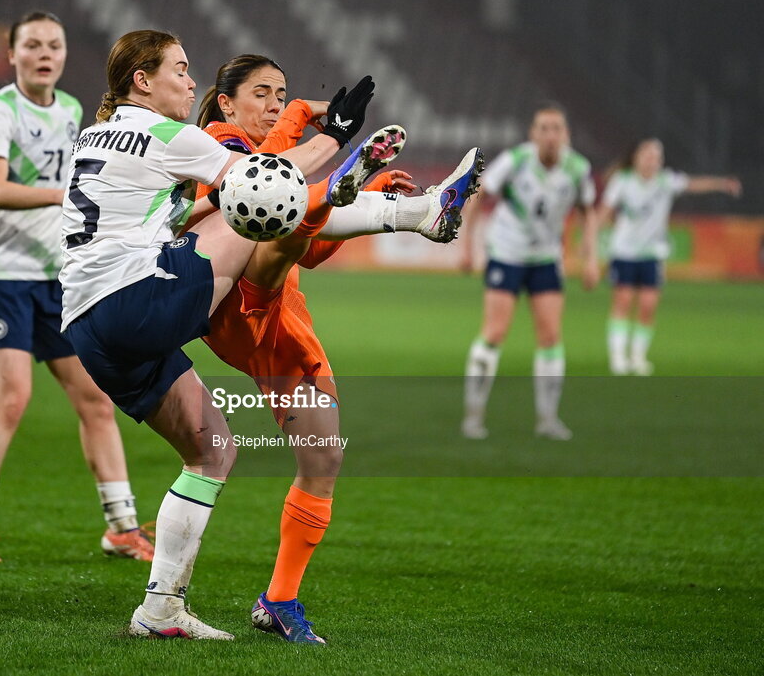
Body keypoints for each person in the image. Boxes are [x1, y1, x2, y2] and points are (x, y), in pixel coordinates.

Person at [59, 29, 405, 640]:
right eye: (181, 69)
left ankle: (161, 608)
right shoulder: (168, 132)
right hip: (138, 297)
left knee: (212, 449)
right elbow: (260, 184)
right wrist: (334, 136)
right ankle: (400, 213)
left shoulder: (96, 137)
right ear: (143, 80)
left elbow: (177, 213)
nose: (192, 82)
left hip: (88, 325)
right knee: (258, 207)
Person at [190, 54, 483, 644]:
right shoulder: (214, 145)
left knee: (323, 459)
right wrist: (305, 117)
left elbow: (310, 250)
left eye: (283, 96)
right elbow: (264, 192)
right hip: (233, 306)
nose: (275, 105)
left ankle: (279, 599)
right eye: (264, 95)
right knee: (275, 206)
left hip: (282, 320)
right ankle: (415, 213)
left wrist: (360, 191)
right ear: (226, 103)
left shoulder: (268, 154)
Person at [0, 11, 153, 564]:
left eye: (54, 45)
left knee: (96, 399)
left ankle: (122, 527)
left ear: (64, 56)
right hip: (1, 276)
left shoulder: (69, 111)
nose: (45, 53)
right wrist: (63, 195)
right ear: (12, 54)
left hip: (56, 278)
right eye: (33, 45)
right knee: (12, 399)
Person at [459, 102, 597, 441]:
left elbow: (588, 211)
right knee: (494, 333)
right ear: (533, 134)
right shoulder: (516, 160)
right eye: (544, 129)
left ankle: (548, 419)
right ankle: (473, 416)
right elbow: (477, 195)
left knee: (550, 337)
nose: (551, 136)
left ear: (566, 135)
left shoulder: (578, 168)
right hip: (506, 253)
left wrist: (590, 256)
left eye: (557, 129)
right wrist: (467, 245)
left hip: (546, 259)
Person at [596, 137, 742, 375]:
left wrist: (722, 183)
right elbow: (604, 211)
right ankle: (618, 357)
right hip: (624, 251)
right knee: (622, 302)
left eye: (657, 157)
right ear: (636, 158)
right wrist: (591, 238)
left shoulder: (665, 181)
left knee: (648, 306)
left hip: (652, 253)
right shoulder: (622, 181)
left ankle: (638, 356)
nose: (652, 161)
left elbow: (694, 184)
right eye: (648, 155)